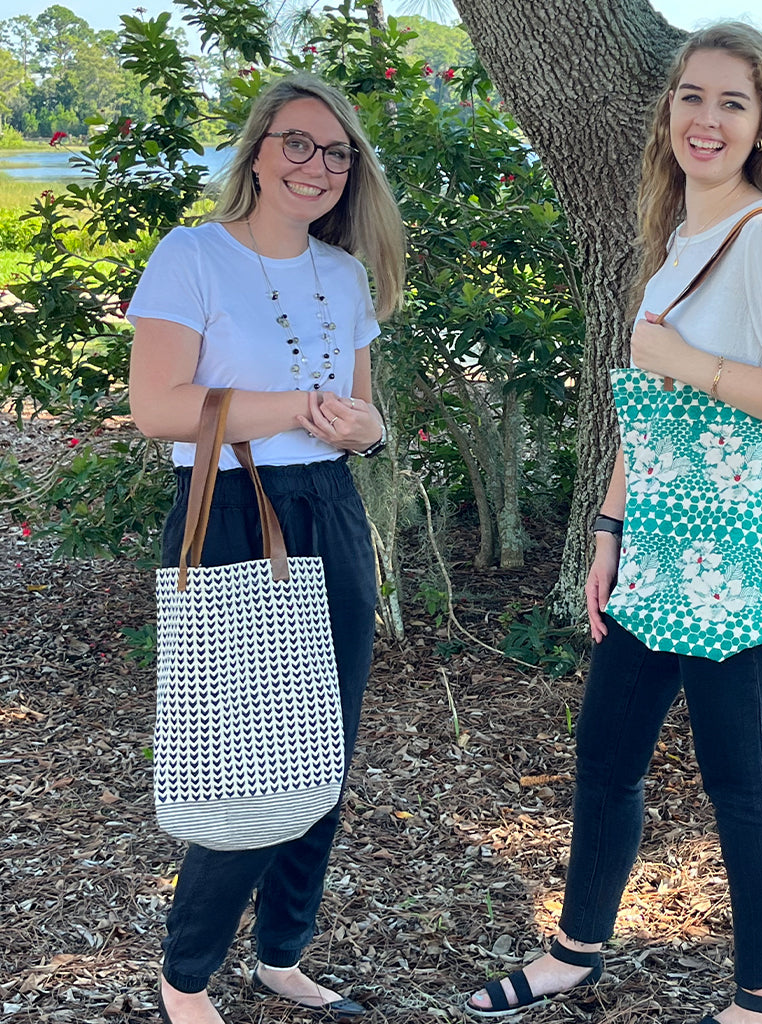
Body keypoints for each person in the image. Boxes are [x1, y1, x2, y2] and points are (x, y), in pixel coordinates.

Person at [465, 22, 762, 1024]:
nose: (707, 119)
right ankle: (573, 951)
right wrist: (606, 533)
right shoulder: (680, 241)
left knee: (738, 781)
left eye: (732, 101)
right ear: (667, 112)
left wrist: (694, 363)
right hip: (656, 548)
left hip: (737, 556)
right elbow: (647, 419)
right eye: (692, 97)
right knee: (605, 751)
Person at [127, 73, 404, 1024]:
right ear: (256, 148)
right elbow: (157, 408)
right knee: (246, 754)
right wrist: (292, 411)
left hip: (328, 506)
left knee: (324, 752)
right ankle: (186, 975)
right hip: (231, 510)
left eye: (337, 153)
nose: (317, 167)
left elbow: (365, 415)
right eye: (298, 143)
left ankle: (282, 952)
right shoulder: (191, 256)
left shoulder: (345, 273)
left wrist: (360, 429)